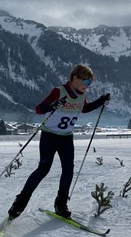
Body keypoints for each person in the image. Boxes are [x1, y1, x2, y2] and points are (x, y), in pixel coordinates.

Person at [7, 64, 110, 220]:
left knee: (68, 170)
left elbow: (84, 109)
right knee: (43, 169)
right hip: (49, 136)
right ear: (75, 78)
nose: (88, 86)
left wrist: (100, 101)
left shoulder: (82, 95)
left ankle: (60, 204)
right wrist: (52, 105)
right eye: (86, 82)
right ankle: (20, 202)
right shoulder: (59, 91)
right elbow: (39, 109)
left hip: (66, 138)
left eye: (90, 83)